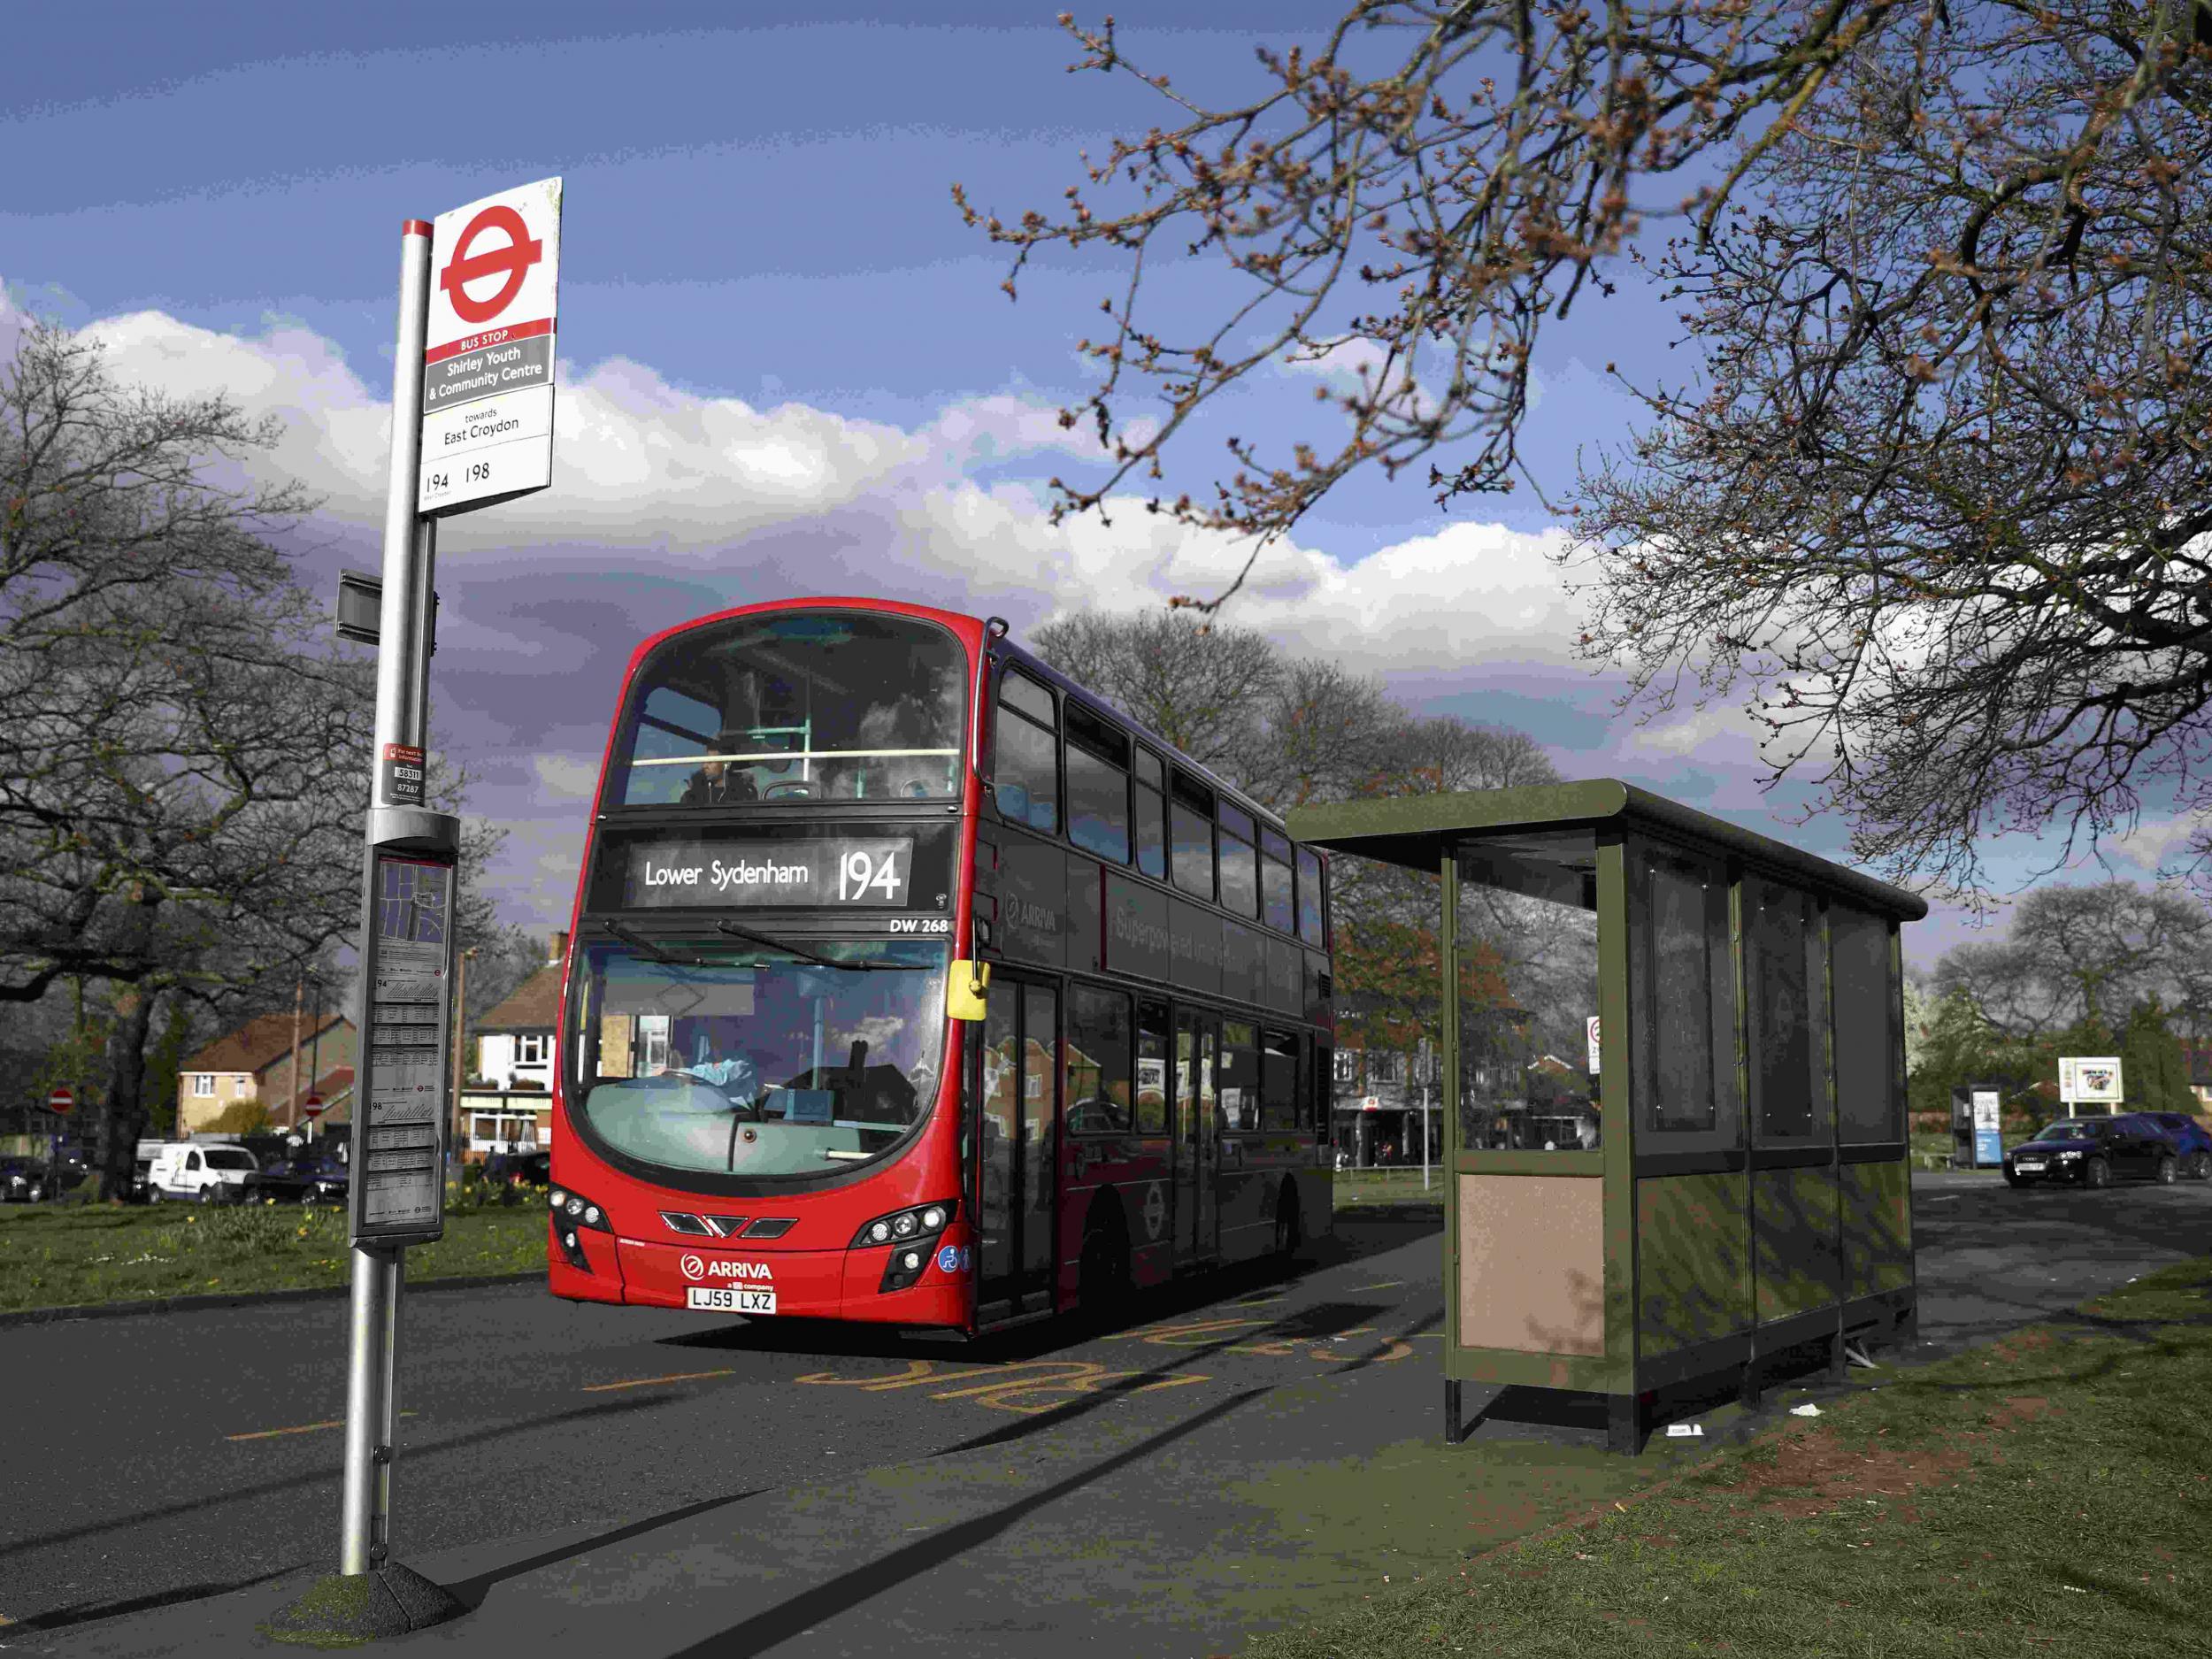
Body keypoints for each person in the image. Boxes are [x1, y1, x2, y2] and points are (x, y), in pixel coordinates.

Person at [682, 730, 758, 806]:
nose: (704, 766)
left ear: (726, 764)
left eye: (710, 762)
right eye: (703, 761)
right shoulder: (692, 796)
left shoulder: (745, 794)